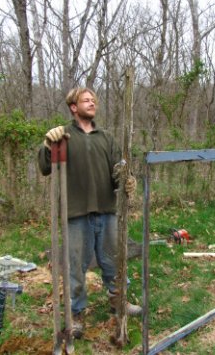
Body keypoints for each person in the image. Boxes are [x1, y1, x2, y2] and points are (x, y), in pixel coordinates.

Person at [38, 87, 141, 339]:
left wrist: (128, 180)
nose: (92, 102)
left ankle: (119, 302)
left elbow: (119, 171)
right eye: (86, 100)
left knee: (113, 261)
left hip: (106, 211)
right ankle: (76, 314)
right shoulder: (64, 137)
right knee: (75, 268)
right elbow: (44, 167)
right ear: (73, 107)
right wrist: (47, 144)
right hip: (75, 214)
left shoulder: (105, 138)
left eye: (93, 99)